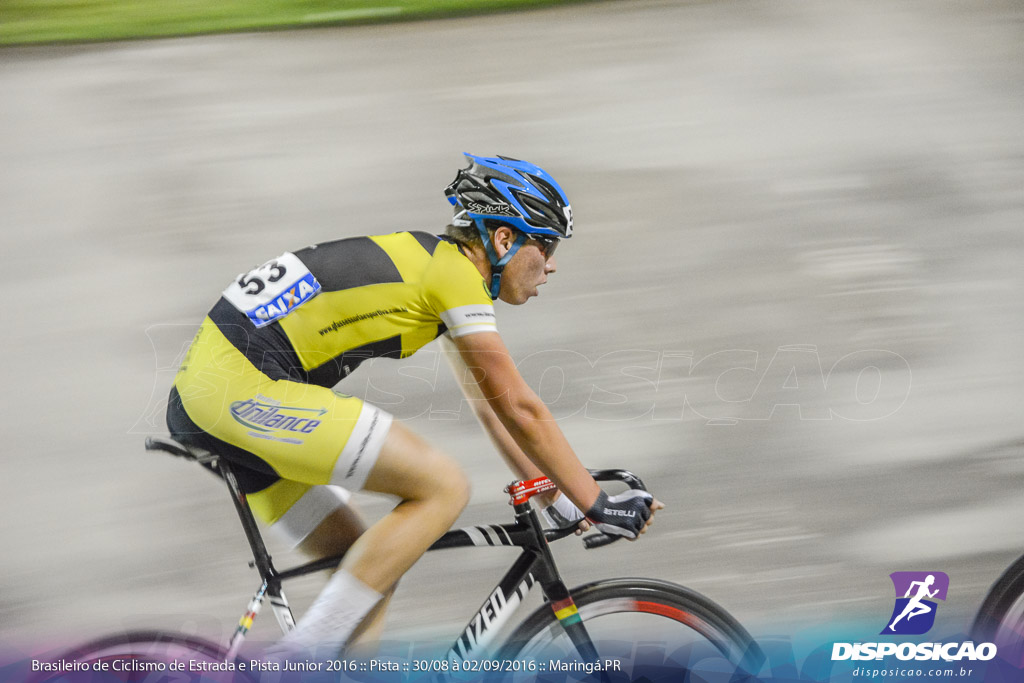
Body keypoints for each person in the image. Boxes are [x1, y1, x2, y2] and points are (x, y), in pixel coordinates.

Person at [165, 154, 662, 654]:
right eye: (546, 244)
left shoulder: (437, 268)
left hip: (212, 397)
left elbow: (493, 407)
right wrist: (596, 502)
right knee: (444, 487)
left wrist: (554, 497)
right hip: (240, 390)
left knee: (366, 569)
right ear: (505, 239)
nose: (551, 264)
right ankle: (297, 658)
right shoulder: (453, 279)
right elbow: (523, 409)